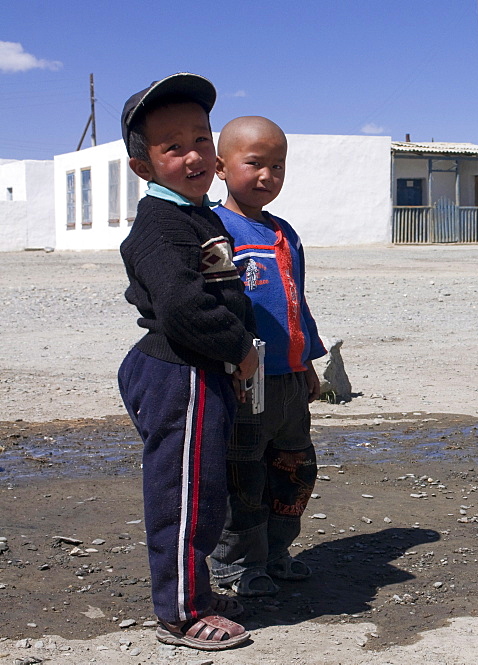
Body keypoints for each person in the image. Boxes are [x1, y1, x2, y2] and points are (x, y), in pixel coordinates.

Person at [117, 73, 256, 651]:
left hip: (196, 372)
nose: (194, 153)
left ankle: (190, 588)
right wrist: (239, 348)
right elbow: (180, 306)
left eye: (202, 139)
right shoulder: (162, 224)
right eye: (173, 146)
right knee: (182, 496)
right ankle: (178, 612)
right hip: (180, 373)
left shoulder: (198, 213)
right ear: (144, 166)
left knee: (204, 491)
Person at [209, 116, 326, 597]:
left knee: (294, 470)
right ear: (220, 166)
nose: (266, 176)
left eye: (277, 167)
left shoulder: (285, 233)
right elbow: (212, 311)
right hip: (245, 381)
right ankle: (237, 566)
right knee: (243, 474)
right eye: (254, 163)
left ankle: (277, 552)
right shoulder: (215, 230)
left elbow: (297, 301)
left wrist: (309, 363)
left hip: (290, 381)